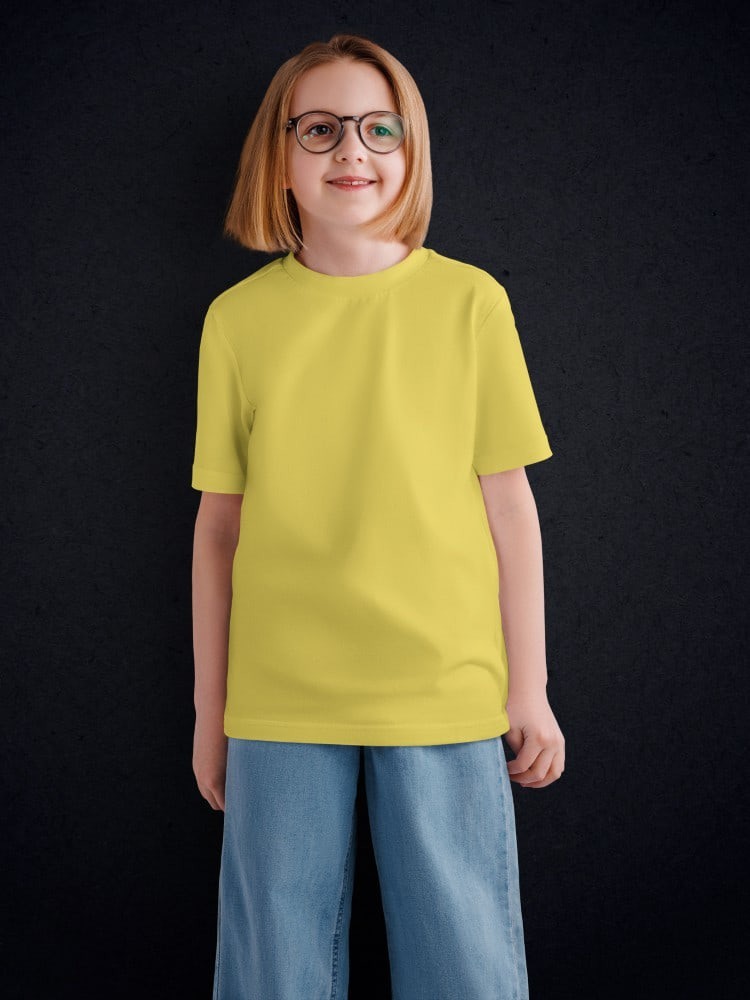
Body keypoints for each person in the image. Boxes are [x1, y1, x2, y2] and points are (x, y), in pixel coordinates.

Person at [191, 32, 565, 1000]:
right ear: (279, 154)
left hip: (443, 681)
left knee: (465, 957)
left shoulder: (471, 302)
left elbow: (510, 506)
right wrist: (210, 710)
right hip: (279, 689)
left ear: (410, 148)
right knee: (272, 963)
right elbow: (220, 527)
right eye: (320, 129)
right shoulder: (236, 320)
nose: (352, 150)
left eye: (378, 128)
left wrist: (529, 687)